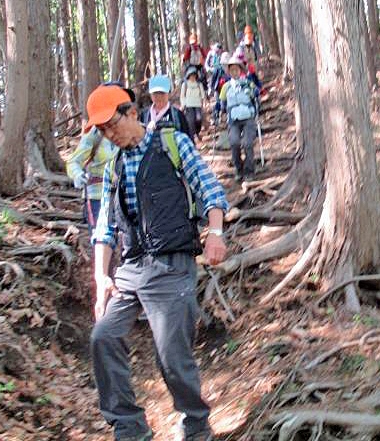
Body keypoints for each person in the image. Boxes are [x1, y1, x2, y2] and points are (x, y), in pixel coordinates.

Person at [85, 84, 229, 441]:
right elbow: (104, 227)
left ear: (132, 113)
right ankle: (129, 426)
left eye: (112, 125)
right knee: (103, 337)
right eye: (102, 130)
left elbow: (210, 189)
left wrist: (215, 233)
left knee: (171, 354)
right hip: (131, 268)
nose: (109, 135)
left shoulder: (173, 144)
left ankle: (195, 424)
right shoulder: (114, 166)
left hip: (171, 265)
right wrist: (102, 278)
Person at [67, 82, 136, 231]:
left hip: (126, 196)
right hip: (97, 197)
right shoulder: (94, 133)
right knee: (101, 236)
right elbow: (73, 162)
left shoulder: (133, 129)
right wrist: (78, 175)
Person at [219, 54, 259, 181]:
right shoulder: (226, 87)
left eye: (236, 69)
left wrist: (253, 93)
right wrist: (220, 112)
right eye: (232, 70)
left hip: (248, 117)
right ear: (229, 71)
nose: (234, 72)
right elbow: (221, 102)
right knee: (234, 142)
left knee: (247, 143)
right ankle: (238, 169)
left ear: (240, 70)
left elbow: (256, 95)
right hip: (233, 119)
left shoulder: (248, 83)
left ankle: (249, 170)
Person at [140, 75, 192, 140]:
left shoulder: (177, 115)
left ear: (168, 94)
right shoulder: (144, 115)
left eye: (162, 93)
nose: (159, 97)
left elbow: (187, 139)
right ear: (150, 95)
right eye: (155, 93)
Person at [181, 66, 207, 140]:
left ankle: (197, 132)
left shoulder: (199, 84)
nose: (193, 77)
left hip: (198, 104)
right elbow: (182, 96)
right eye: (191, 75)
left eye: (194, 75)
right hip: (188, 105)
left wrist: (204, 102)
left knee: (199, 119)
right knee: (190, 121)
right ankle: (192, 137)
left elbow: (203, 95)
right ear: (188, 76)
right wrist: (183, 104)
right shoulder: (185, 85)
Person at [211, 52, 232, 126]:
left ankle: (228, 119)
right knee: (219, 103)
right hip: (219, 89)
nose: (225, 65)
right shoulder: (218, 69)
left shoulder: (231, 68)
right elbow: (213, 79)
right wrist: (212, 88)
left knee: (227, 105)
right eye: (224, 64)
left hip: (228, 90)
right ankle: (215, 117)